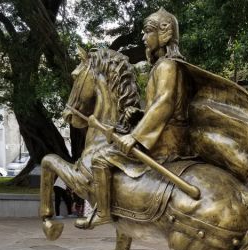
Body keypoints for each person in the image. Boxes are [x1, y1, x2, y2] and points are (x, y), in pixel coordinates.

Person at [75, 7, 193, 229]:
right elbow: (160, 106)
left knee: (100, 159)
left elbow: (165, 104)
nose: (143, 37)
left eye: (148, 31)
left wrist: (135, 136)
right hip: (168, 135)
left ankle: (103, 213)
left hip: (166, 142)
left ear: (164, 35)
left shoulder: (167, 65)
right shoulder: (165, 66)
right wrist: (139, 114)